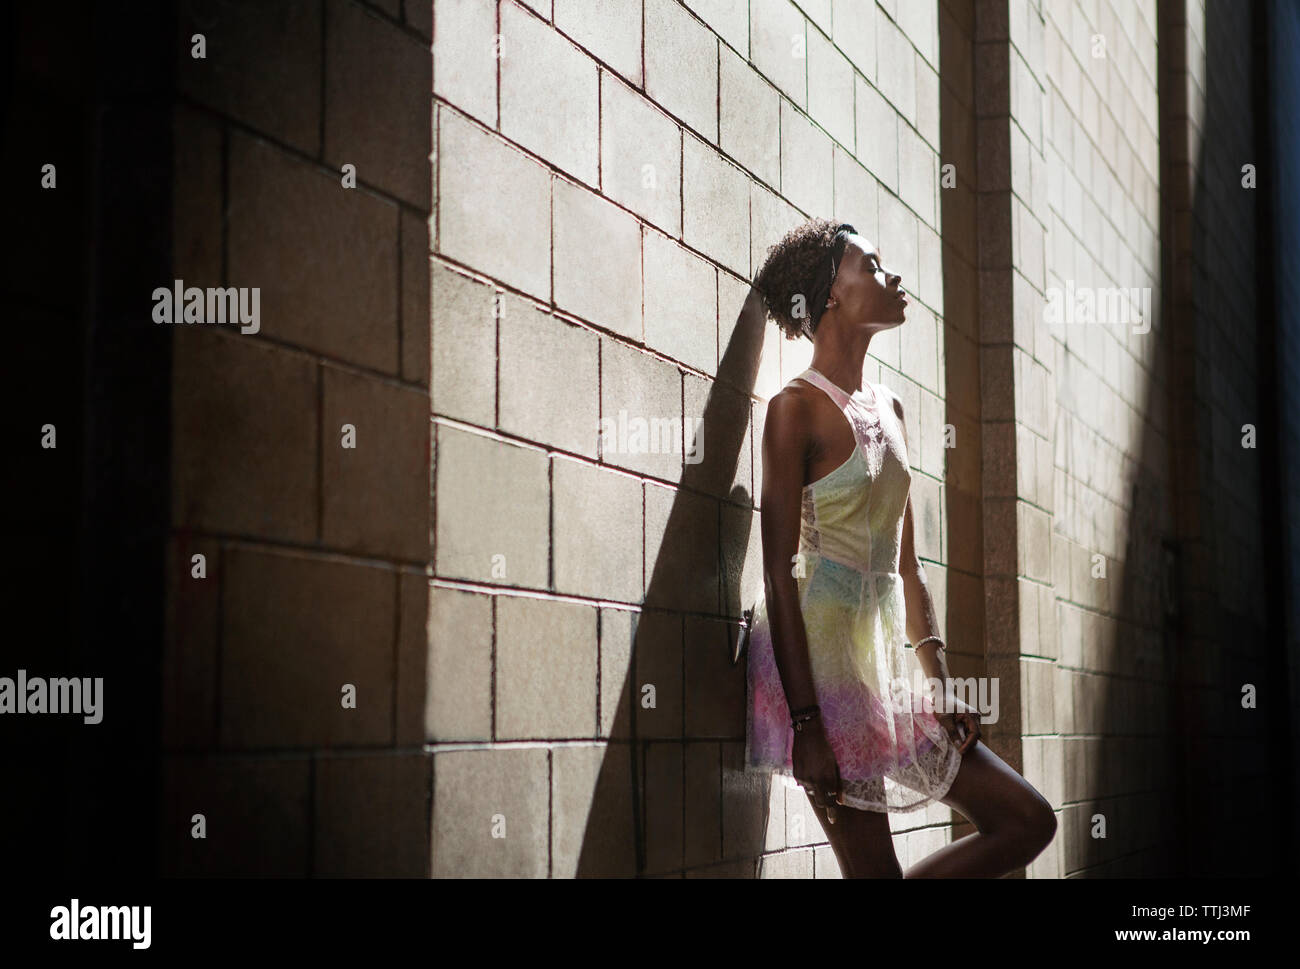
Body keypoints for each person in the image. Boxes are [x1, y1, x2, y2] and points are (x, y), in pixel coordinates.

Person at [744, 218, 1056, 878]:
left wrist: (939, 683)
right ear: (831, 293)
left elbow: (907, 567)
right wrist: (806, 726)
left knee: (1029, 819)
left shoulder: (890, 405)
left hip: (885, 665)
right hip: (821, 678)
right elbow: (777, 574)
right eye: (874, 266)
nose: (894, 278)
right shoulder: (793, 408)